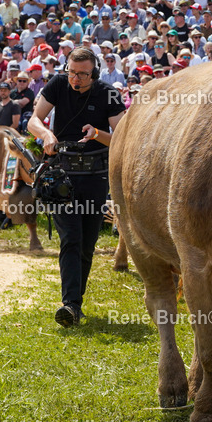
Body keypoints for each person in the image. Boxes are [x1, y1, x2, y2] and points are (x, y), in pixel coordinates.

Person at [28, 46, 126, 328]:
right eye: (72, 72)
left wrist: (97, 133)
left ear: (94, 73)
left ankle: (75, 302)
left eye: (83, 74)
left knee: (87, 242)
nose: (76, 79)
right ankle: (70, 304)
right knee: (70, 237)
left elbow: (122, 137)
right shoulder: (57, 84)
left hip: (95, 174)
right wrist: (46, 133)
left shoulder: (108, 93)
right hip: (61, 174)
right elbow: (34, 120)